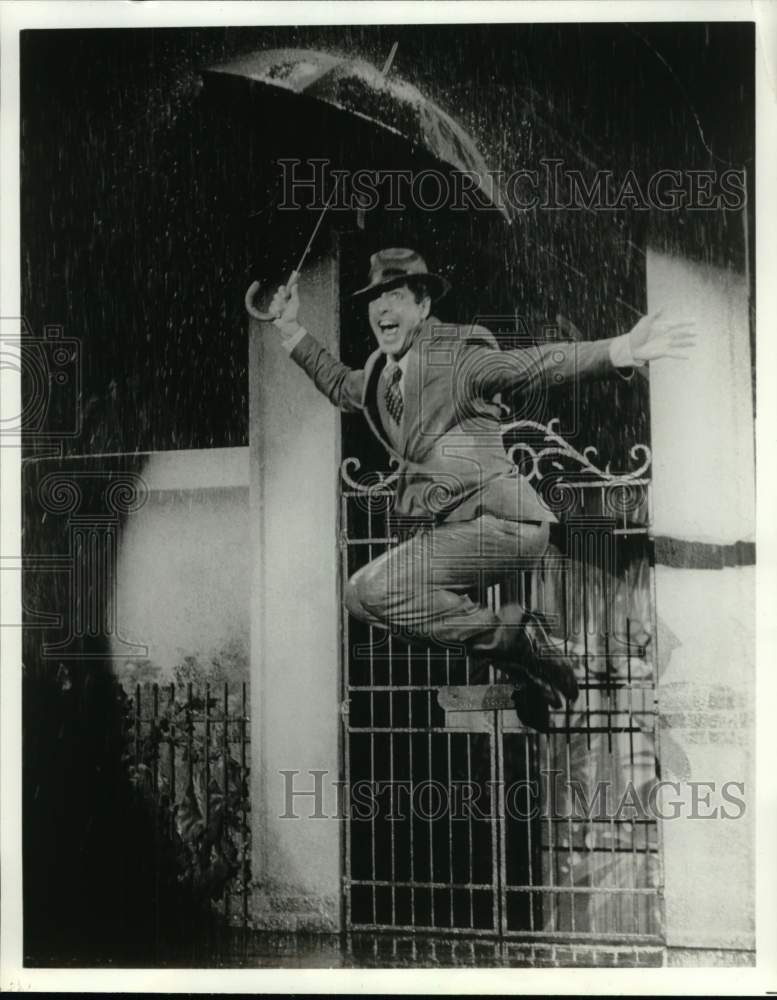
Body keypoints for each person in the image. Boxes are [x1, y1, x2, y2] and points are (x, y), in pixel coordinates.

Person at [267, 248, 695, 730]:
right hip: (465, 529)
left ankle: (518, 641)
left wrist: (618, 350)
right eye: (375, 300)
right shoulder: (382, 374)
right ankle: (529, 668)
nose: (383, 310)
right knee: (363, 602)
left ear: (424, 305)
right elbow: (338, 383)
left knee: (374, 588)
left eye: (397, 296)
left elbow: (528, 366)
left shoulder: (459, 357)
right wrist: (291, 330)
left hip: (503, 522)